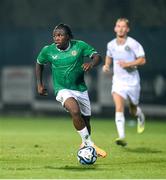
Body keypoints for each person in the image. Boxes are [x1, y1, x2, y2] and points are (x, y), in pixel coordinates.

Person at [36, 23, 107, 157]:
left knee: (86, 122)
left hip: (80, 89)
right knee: (75, 111)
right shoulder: (48, 50)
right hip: (62, 89)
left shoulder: (79, 46)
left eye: (60, 35)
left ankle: (85, 148)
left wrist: (91, 63)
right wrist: (39, 84)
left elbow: (98, 57)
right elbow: (39, 63)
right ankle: (91, 145)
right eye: (55, 35)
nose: (57, 38)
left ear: (68, 36)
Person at [102, 18, 146, 146]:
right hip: (118, 82)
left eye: (123, 26)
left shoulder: (133, 43)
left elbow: (142, 60)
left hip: (132, 81)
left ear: (127, 29)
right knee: (119, 107)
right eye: (118, 26)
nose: (120, 28)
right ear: (115, 28)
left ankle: (140, 115)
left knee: (133, 110)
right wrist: (106, 65)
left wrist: (128, 64)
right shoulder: (111, 44)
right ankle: (121, 136)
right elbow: (109, 55)